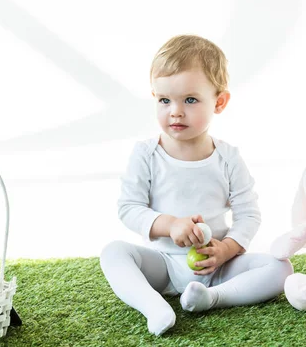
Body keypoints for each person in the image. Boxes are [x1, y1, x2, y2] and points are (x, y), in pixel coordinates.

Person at [100, 35, 293, 336]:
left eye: (190, 100)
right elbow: (129, 208)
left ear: (219, 102)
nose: (175, 111)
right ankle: (153, 305)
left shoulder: (227, 158)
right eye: (164, 100)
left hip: (217, 267)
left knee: (281, 268)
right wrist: (170, 224)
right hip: (163, 264)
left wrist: (226, 250)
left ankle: (212, 299)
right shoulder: (146, 154)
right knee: (114, 253)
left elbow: (248, 214)